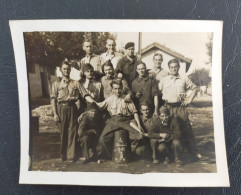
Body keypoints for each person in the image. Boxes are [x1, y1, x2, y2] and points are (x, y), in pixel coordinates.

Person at [51, 60, 95, 163]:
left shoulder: (75, 83)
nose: (66, 71)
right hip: (61, 108)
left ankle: (70, 156)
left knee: (72, 131)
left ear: (70, 70)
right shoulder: (56, 84)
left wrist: (94, 103)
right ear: (61, 70)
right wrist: (55, 114)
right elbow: (53, 99)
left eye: (68, 69)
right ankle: (63, 155)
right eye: (64, 69)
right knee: (63, 132)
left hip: (72, 108)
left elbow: (84, 94)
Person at [158, 58, 199, 161]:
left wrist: (189, 99)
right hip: (167, 107)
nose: (173, 69)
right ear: (169, 68)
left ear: (178, 67)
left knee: (186, 128)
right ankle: (169, 154)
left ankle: (193, 153)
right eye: (171, 67)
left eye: (175, 67)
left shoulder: (184, 79)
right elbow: (157, 92)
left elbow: (195, 88)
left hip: (180, 107)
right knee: (168, 128)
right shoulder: (164, 80)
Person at [96, 80, 143, 159]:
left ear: (122, 89)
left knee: (138, 135)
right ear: (112, 90)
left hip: (125, 121)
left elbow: (135, 112)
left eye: (119, 88)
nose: (117, 91)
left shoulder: (127, 98)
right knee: (102, 139)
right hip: (113, 121)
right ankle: (110, 155)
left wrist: (138, 124)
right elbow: (99, 106)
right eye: (115, 89)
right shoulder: (109, 99)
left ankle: (130, 154)